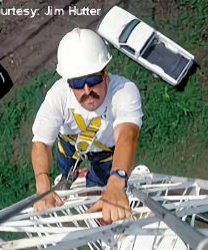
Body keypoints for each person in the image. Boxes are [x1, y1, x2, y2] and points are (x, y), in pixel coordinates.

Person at [31, 28, 143, 223]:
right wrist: (42, 186)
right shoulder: (58, 96)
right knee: (66, 171)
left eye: (93, 79)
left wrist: (116, 183)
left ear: (105, 74)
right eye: (77, 83)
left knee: (99, 187)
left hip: (106, 152)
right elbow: (41, 143)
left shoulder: (124, 91)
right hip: (70, 146)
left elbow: (127, 135)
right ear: (67, 82)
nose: (87, 90)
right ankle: (72, 174)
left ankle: (93, 186)